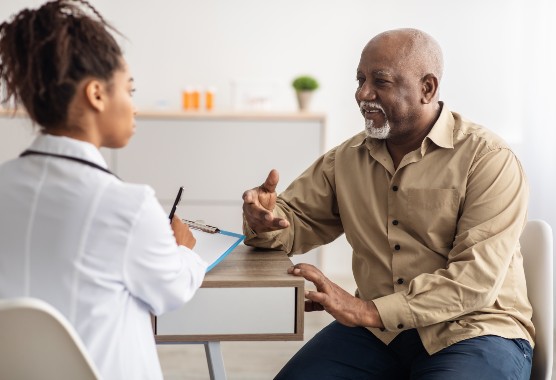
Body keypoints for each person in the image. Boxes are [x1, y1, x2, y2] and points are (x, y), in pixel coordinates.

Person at [242, 28, 533, 379]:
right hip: (379, 335)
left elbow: (474, 280)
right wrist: (266, 221)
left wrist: (366, 311)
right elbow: (296, 222)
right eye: (360, 79)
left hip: (474, 330)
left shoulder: (488, 159)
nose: (363, 93)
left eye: (380, 81)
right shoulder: (346, 159)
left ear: (427, 88)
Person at [0, 1, 207, 379]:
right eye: (129, 90)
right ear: (96, 94)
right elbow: (171, 291)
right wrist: (184, 250)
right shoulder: (127, 206)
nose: (134, 106)